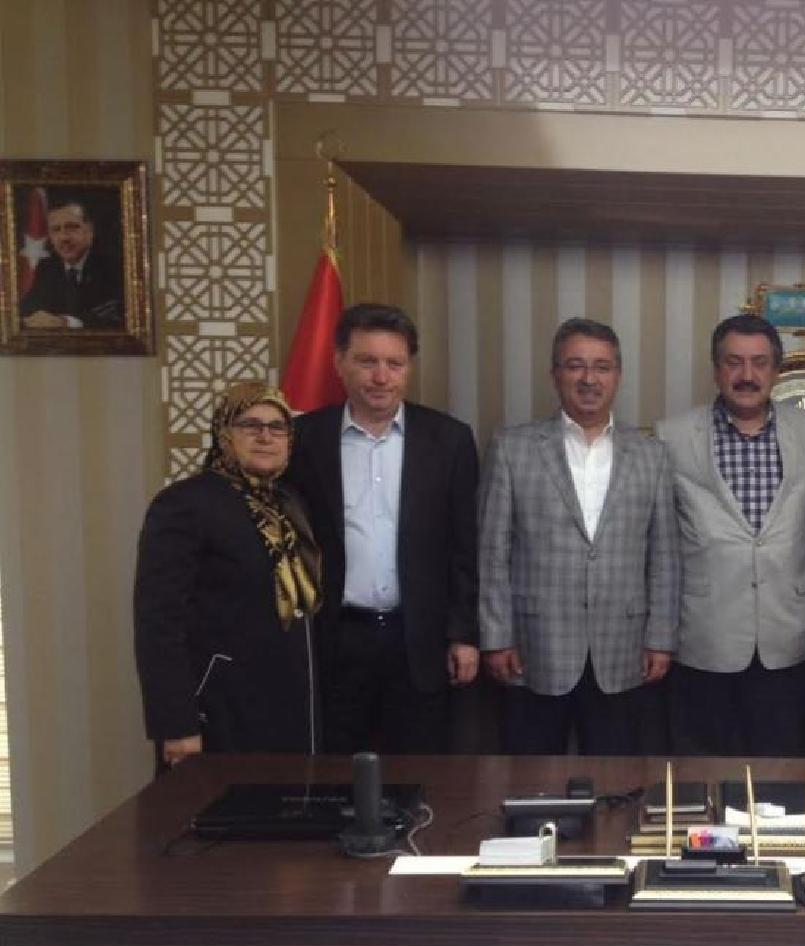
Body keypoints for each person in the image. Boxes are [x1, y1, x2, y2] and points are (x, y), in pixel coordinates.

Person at [285, 303, 480, 755]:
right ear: (339, 362)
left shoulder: (448, 440)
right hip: (335, 636)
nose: (381, 377)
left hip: (419, 639)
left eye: (395, 363)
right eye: (367, 361)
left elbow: (465, 546)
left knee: (420, 772)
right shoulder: (303, 439)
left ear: (409, 368)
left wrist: (464, 634)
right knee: (336, 770)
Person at [478, 318, 679, 753]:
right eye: (575, 366)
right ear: (555, 374)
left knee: (615, 777)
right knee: (530, 775)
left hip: (623, 649)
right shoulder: (512, 448)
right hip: (534, 647)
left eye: (602, 367)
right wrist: (496, 637)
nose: (589, 378)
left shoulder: (652, 455)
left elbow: (664, 557)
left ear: (618, 376)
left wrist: (661, 638)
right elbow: (492, 553)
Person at [657, 313, 805, 755]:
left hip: (787, 638)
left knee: (781, 774)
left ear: (776, 370)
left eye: (759, 363)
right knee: (702, 774)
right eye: (734, 362)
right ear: (716, 369)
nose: (746, 375)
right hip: (705, 638)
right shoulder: (672, 437)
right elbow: (658, 544)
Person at [134, 382, 322, 767]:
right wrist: (176, 723)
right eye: (249, 424)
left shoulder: (290, 503)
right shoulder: (186, 503)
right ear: (224, 433)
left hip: (291, 706)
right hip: (220, 709)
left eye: (277, 427)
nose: (265, 436)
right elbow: (158, 622)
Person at [20, 197, 125, 329]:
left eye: (72, 227)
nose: (64, 237)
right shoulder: (47, 267)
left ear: (90, 231)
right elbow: (27, 310)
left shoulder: (114, 266)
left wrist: (66, 322)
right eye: (56, 229)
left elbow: (115, 312)